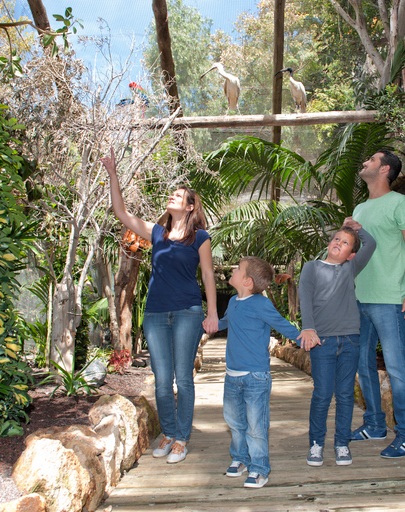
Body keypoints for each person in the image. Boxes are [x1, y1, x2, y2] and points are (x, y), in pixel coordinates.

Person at [101, 148, 218, 464]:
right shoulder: (157, 233)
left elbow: (207, 274)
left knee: (184, 376)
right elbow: (122, 214)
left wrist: (212, 312)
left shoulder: (200, 237)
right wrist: (113, 173)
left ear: (190, 206)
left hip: (187, 312)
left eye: (178, 195)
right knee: (162, 378)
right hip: (155, 313)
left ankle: (182, 438)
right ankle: (168, 432)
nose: (172, 197)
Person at [350, 149, 405, 458]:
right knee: (362, 363)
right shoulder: (360, 208)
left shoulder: (400, 203)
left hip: (391, 299)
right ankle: (375, 424)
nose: (364, 161)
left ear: (384, 170)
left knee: (396, 367)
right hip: (358, 298)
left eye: (371, 159)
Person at [217, 257, 306, 488]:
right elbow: (226, 322)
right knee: (234, 422)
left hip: (256, 376)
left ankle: (259, 468)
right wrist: (209, 324)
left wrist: (303, 337)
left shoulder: (261, 304)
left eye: (237, 268)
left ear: (247, 281)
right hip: (232, 375)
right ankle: (240, 458)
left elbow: (281, 323)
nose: (233, 269)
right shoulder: (233, 301)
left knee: (256, 426)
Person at [298, 221, 376, 467]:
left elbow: (371, 244)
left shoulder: (350, 268)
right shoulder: (311, 267)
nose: (338, 243)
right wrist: (308, 327)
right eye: (336, 239)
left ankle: (342, 443)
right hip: (323, 341)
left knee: (344, 395)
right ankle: (316, 443)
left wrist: (358, 228)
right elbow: (305, 297)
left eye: (345, 243)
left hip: (351, 339)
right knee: (322, 394)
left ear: (351, 254)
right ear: (329, 244)